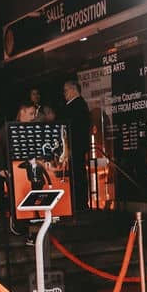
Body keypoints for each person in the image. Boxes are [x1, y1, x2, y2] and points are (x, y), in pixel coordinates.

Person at [60, 80, 91, 210]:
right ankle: (80, 203)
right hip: (77, 147)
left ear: (73, 89)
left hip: (75, 147)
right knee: (78, 174)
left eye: (66, 90)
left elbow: (75, 129)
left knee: (77, 175)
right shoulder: (79, 104)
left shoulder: (76, 105)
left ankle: (79, 204)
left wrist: (69, 147)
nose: (64, 94)